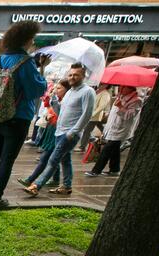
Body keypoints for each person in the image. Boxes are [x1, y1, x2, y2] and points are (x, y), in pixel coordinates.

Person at [0, 20, 48, 206]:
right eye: (32, 39)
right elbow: (36, 90)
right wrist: (42, 70)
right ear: (26, 40)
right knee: (6, 161)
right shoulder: (26, 63)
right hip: (17, 118)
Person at [24, 63, 95, 197]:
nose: (72, 77)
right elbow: (62, 109)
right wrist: (52, 101)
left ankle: (36, 185)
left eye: (76, 75)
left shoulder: (87, 91)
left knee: (53, 160)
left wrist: (73, 132)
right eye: (70, 74)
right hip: (59, 132)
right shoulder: (70, 92)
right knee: (65, 160)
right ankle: (67, 186)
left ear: (83, 76)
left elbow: (87, 114)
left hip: (69, 134)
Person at [17, 80, 70, 188]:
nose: (55, 91)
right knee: (55, 158)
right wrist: (47, 116)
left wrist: (52, 101)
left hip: (59, 133)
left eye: (59, 88)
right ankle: (57, 180)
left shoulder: (66, 102)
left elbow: (61, 114)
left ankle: (31, 180)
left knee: (45, 158)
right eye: (56, 88)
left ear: (67, 90)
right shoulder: (57, 100)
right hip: (51, 130)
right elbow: (48, 113)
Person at [85, 86, 142, 177]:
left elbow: (129, 116)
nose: (121, 89)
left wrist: (120, 107)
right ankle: (114, 169)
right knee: (115, 150)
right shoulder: (120, 97)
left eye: (123, 87)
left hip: (121, 130)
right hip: (113, 128)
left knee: (106, 150)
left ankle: (96, 170)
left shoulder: (136, 101)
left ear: (131, 89)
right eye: (120, 87)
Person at [76, 83, 111, 152]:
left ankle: (82, 147)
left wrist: (92, 114)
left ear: (107, 85)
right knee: (102, 128)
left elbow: (101, 106)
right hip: (90, 114)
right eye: (100, 83)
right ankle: (103, 139)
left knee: (87, 130)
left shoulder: (105, 94)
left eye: (103, 84)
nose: (100, 85)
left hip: (95, 116)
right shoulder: (96, 90)